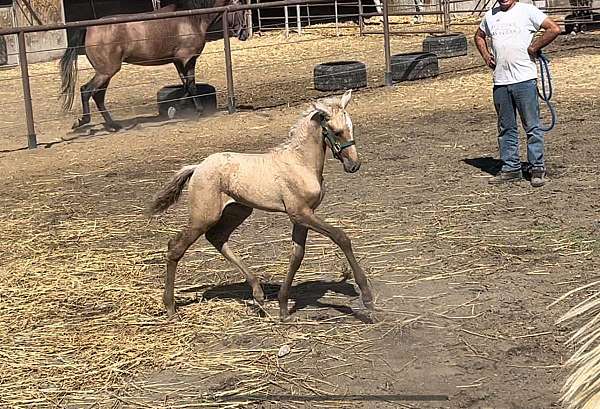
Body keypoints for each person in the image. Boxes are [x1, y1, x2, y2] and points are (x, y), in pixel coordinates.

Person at [474, 0, 560, 187]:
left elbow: (553, 29)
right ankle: (511, 168)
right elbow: (479, 36)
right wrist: (486, 55)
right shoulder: (491, 15)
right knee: (506, 128)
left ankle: (537, 168)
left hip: (524, 80)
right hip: (501, 81)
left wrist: (534, 47)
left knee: (532, 126)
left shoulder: (527, 11)